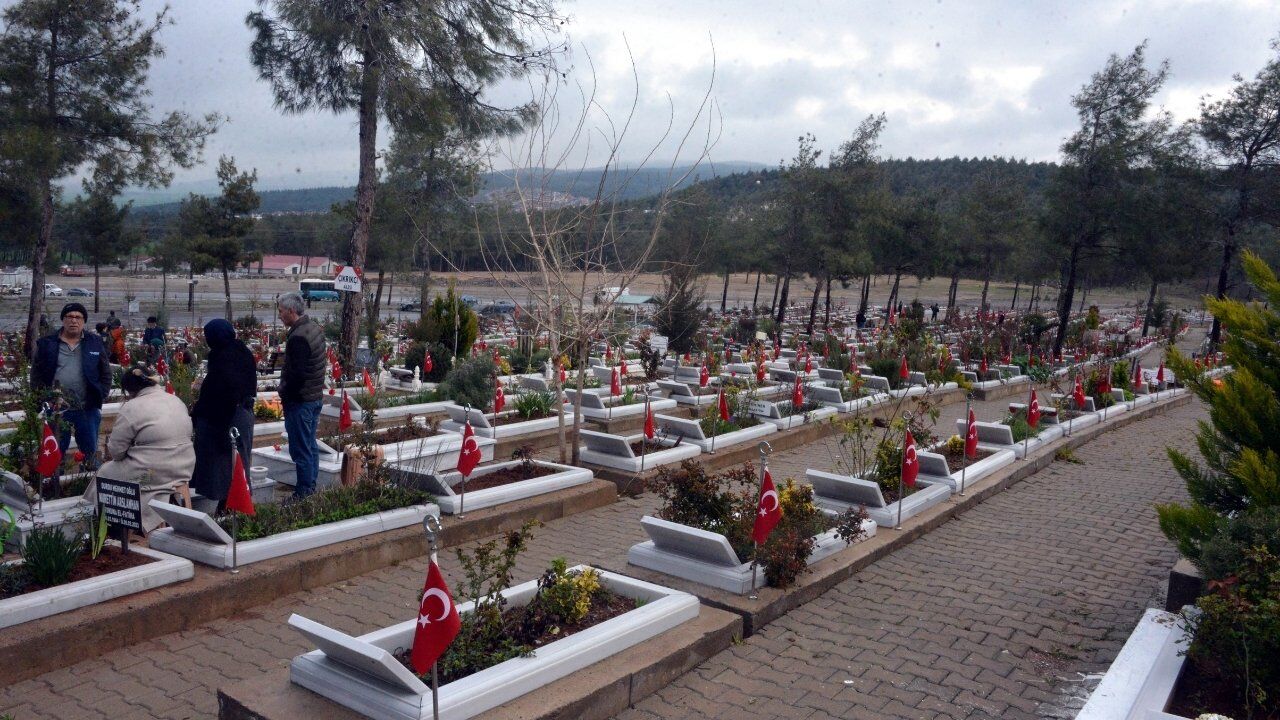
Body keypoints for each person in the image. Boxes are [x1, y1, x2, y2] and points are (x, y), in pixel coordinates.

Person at [83, 362, 194, 533]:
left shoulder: (132, 407)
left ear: (130, 391)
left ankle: (109, 525)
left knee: (106, 473)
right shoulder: (175, 399)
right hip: (185, 465)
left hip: (154, 472)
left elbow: (116, 452)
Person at [32, 303, 111, 471]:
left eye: (78, 317)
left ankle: (87, 482)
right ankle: (54, 482)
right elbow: (36, 375)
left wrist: (101, 394)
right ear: (63, 319)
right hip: (57, 408)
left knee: (89, 449)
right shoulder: (47, 343)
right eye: (69, 316)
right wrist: (41, 400)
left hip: (87, 407)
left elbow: (105, 372)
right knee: (55, 450)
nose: (74, 320)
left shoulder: (94, 342)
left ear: (83, 321)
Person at [190, 319, 257, 511]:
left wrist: (207, 416)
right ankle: (231, 503)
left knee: (228, 461)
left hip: (227, 417)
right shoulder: (241, 351)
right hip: (239, 413)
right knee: (237, 460)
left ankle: (232, 504)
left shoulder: (223, 357)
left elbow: (223, 391)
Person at [277, 292, 326, 497]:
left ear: (291, 311)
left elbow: (297, 375)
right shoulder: (313, 327)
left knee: (301, 449)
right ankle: (310, 487)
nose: (279, 316)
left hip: (301, 401)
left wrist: (284, 392)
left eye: (281, 311)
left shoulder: (298, 338)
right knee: (310, 445)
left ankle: (304, 493)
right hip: (314, 397)